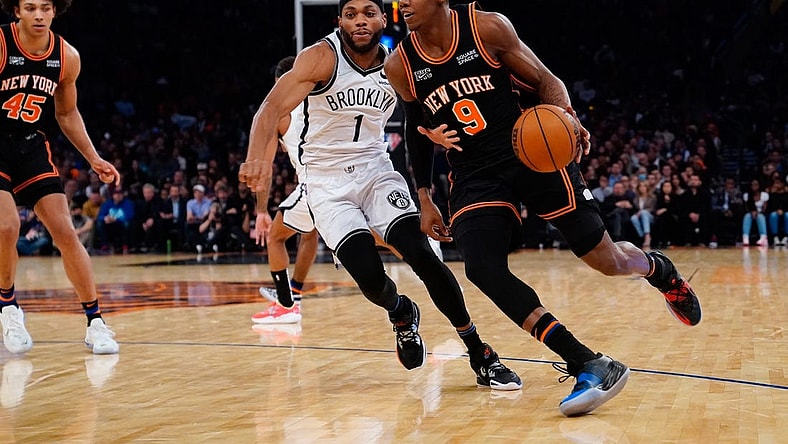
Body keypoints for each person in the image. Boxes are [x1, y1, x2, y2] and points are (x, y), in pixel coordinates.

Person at [385, 0, 701, 416]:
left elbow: (547, 81)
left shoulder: (487, 29)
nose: (402, 2)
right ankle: (587, 362)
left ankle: (657, 269)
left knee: (607, 261)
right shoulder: (400, 64)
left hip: (531, 152)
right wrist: (423, 196)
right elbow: (417, 130)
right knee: (481, 267)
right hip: (474, 173)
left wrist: (564, 117)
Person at [240, 0, 522, 391]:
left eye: (368, 13)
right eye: (351, 14)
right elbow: (270, 108)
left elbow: (422, 114)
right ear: (339, 20)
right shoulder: (320, 57)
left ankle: (480, 352)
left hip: (376, 172)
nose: (360, 21)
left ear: (383, 19)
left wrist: (432, 133)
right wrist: (258, 158)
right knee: (371, 279)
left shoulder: (398, 65)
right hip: (326, 183)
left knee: (421, 254)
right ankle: (401, 312)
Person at [0, 0, 119, 355]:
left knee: (66, 231)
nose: (39, 15)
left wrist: (94, 158)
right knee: (7, 227)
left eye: (46, 8)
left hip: (31, 146)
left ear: (56, 11)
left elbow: (66, 114)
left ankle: (95, 322)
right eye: (30, 7)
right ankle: (8, 307)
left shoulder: (67, 57)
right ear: (16, 11)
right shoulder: (2, 44)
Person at [250, 55, 319, 325]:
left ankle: (287, 304)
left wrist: (260, 210)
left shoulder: (280, 114)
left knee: (276, 237)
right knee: (311, 232)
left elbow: (263, 167)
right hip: (347, 175)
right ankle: (295, 293)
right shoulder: (323, 98)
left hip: (317, 181)